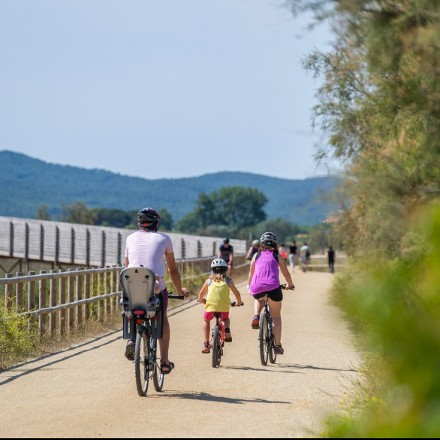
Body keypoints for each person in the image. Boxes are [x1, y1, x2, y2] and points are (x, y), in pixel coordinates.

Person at [124, 207, 190, 374]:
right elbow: (172, 270)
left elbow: (127, 266)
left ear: (139, 224)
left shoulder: (129, 238)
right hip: (154, 288)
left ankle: (131, 340)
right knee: (163, 317)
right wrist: (180, 291)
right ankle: (165, 361)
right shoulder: (164, 239)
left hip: (131, 285)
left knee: (129, 308)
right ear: (156, 223)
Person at [248, 231, 294, 355]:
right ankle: (277, 346)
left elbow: (251, 273)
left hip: (257, 286)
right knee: (276, 316)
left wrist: (249, 285)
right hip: (273, 287)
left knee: (258, 298)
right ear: (275, 243)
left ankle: (256, 315)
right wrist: (290, 284)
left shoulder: (256, 255)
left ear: (262, 243)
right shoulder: (277, 255)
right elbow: (286, 273)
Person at [198, 258, 243, 353]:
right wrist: (239, 302)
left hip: (210, 308)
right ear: (226, 270)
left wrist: (201, 300)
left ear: (212, 270)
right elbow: (237, 293)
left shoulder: (209, 281)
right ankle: (227, 331)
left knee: (206, 320)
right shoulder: (228, 281)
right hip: (223, 308)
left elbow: (201, 294)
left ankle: (206, 344)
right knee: (225, 319)